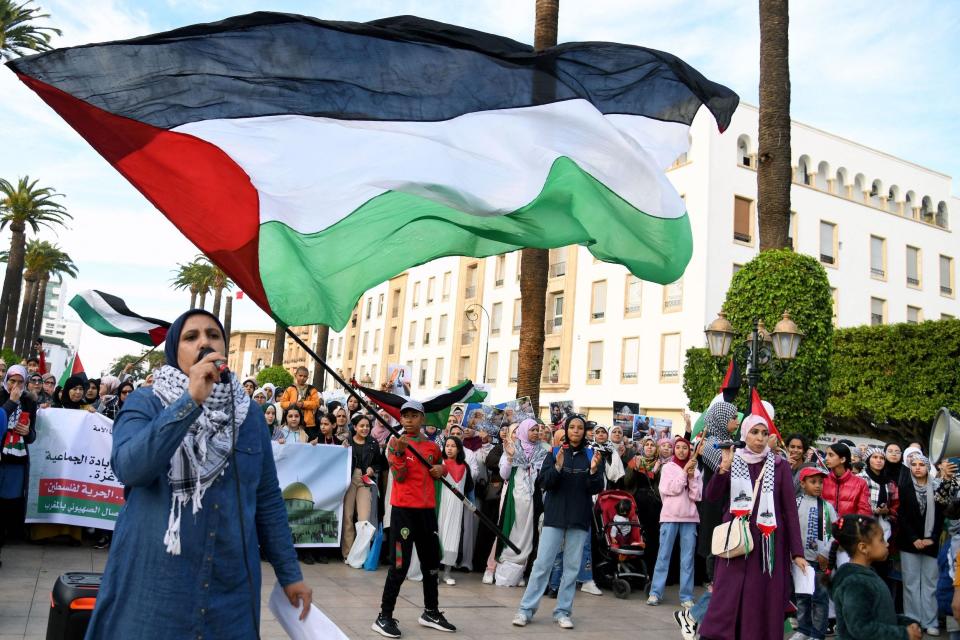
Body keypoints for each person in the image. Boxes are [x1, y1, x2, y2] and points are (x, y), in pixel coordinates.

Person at [85, 309, 311, 639]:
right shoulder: (146, 402)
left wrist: (290, 574)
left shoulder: (248, 416)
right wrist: (189, 401)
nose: (204, 341)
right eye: (191, 337)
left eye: (213, 335)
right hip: (156, 586)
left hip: (230, 592)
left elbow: (267, 500)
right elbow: (130, 468)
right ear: (175, 350)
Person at [698, 414, 805, 640]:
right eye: (754, 432)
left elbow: (789, 511)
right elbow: (712, 495)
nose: (760, 438)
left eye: (764, 433)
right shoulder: (733, 460)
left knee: (760, 600)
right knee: (727, 597)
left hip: (767, 546)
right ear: (744, 434)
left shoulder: (780, 465)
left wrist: (797, 552)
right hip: (736, 542)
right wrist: (723, 468)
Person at [511, 414, 604, 630]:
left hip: (579, 518)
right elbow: (544, 482)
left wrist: (592, 471)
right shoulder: (553, 453)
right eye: (572, 427)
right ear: (567, 429)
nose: (576, 431)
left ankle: (563, 611)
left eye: (580, 427)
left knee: (571, 568)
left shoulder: (592, 455)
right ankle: (525, 610)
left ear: (584, 431)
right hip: (555, 517)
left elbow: (596, 488)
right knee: (542, 565)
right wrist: (558, 467)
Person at [373, 400, 455, 638]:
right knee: (400, 565)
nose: (409, 419)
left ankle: (431, 611)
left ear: (423, 419)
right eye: (405, 415)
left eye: (414, 415)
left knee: (431, 565)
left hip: (427, 512)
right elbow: (398, 476)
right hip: (403, 513)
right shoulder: (394, 442)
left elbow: (441, 467)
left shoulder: (431, 447)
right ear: (400, 419)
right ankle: (384, 617)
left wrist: (443, 470)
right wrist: (398, 452)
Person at [825, 515, 923, 640]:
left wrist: (907, 623)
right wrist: (904, 634)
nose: (887, 544)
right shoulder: (855, 583)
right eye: (881, 540)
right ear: (863, 548)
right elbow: (861, 628)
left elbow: (881, 616)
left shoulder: (866, 576)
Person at [484, 419, 547, 586]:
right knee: (509, 532)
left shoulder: (542, 452)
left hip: (532, 500)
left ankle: (519, 572)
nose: (535, 433)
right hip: (514, 498)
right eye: (532, 430)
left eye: (537, 430)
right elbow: (504, 474)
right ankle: (495, 569)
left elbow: (542, 478)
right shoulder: (512, 448)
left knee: (528, 536)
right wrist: (511, 457)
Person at [648, 436, 702, 608]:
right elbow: (670, 489)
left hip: (690, 518)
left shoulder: (696, 469)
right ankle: (655, 593)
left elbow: (696, 496)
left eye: (684, 448)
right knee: (663, 555)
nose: (681, 450)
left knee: (687, 559)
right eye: (677, 447)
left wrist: (692, 477)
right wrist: (684, 472)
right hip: (670, 517)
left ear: (690, 450)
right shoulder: (668, 468)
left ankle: (686, 596)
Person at [898, 454, 944, 636]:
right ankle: (913, 622)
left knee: (930, 584)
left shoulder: (937, 487)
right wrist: (914, 539)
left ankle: (930, 621)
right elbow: (902, 516)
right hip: (910, 542)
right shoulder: (904, 487)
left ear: (927, 467)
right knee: (910, 584)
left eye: (921, 465)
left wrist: (931, 538)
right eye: (914, 464)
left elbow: (941, 517)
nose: (918, 468)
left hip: (931, 542)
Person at [793, 466, 837, 640]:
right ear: (802, 484)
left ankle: (817, 634)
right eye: (813, 482)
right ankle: (803, 629)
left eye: (820, 482)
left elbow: (836, 532)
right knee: (802, 596)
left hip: (819, 561)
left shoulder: (827, 507)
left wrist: (826, 553)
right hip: (800, 559)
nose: (818, 485)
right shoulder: (795, 503)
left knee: (819, 599)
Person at [342, 414, 385, 560]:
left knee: (364, 519)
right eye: (361, 426)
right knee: (347, 517)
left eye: (367, 426)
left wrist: (373, 468)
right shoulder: (347, 442)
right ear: (355, 427)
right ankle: (347, 554)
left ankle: (360, 555)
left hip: (365, 481)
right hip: (350, 479)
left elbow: (379, 463)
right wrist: (342, 448)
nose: (365, 428)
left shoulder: (373, 443)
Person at [0, 366, 29, 564]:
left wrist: (28, 432)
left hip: (15, 463)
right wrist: (11, 402)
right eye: (12, 381)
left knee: (6, 508)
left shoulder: (29, 402)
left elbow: (33, 435)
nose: (16, 386)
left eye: (20, 382)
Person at [436, 435, 473, 585]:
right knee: (438, 534)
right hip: (442, 505)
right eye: (447, 446)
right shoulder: (440, 464)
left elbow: (469, 487)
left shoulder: (465, 466)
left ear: (458, 449)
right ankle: (433, 572)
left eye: (453, 446)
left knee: (453, 537)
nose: (449, 448)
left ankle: (447, 572)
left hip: (456, 508)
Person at [822, 442, 872, 517]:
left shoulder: (860, 483)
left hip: (849, 527)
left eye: (831, 455)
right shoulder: (822, 480)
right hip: (826, 527)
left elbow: (864, 512)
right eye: (826, 454)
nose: (826, 458)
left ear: (842, 459)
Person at [280, 367, 321, 435]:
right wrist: (292, 404)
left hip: (308, 424)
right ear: (295, 375)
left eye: (305, 376)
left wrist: (303, 404)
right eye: (300, 375)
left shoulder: (312, 389)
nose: (302, 378)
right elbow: (282, 403)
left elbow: (316, 403)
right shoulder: (290, 388)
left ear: (308, 377)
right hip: (292, 421)